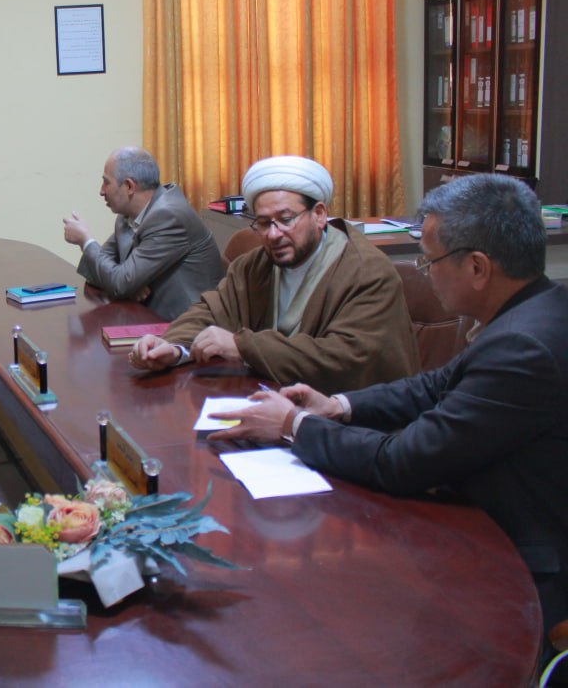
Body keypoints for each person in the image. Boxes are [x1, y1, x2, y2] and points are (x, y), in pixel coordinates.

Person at [206, 174, 568, 647]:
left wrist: (293, 425)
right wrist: (337, 406)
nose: (426, 271)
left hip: (520, 568)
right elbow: (433, 385)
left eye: (430, 260)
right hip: (477, 524)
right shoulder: (537, 310)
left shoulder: (523, 348)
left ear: (478, 268)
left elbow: (404, 461)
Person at [129, 155, 418, 389]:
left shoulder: (367, 272)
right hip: (273, 402)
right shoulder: (256, 265)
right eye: (264, 223)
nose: (273, 234)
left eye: (286, 219)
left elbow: (346, 358)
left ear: (319, 214)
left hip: (352, 422)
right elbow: (211, 311)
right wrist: (172, 346)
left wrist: (243, 347)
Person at [62, 147, 223, 320]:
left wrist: (86, 241)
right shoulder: (127, 216)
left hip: (190, 325)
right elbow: (98, 273)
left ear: (129, 186)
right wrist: (128, 285)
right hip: (148, 316)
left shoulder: (168, 216)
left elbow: (118, 281)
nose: (101, 191)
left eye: (106, 182)